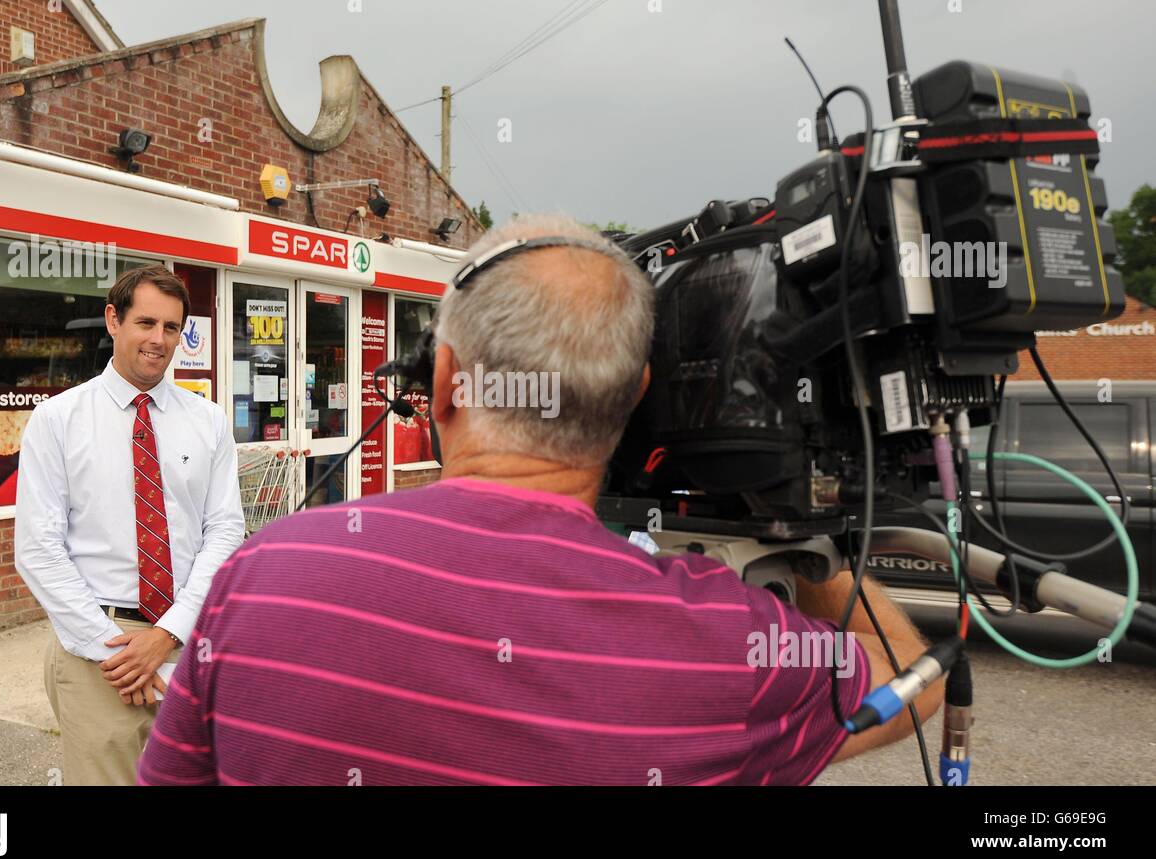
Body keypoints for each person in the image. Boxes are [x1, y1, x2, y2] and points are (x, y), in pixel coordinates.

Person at [139, 215, 941, 785]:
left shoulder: (265, 571)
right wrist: (784, 507)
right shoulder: (723, 643)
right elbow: (911, 673)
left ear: (446, 380)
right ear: (633, 402)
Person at [15, 264, 245, 785]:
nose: (158, 340)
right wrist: (116, 653)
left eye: (171, 327)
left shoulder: (207, 420)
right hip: (98, 650)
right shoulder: (58, 420)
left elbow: (225, 531)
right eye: (145, 323)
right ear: (113, 320)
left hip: (188, 641)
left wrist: (167, 633)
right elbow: (38, 549)